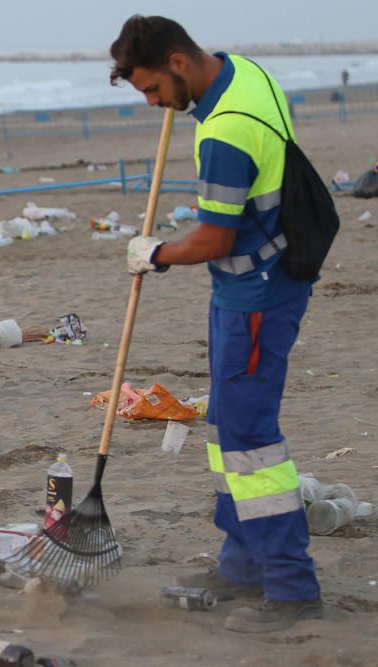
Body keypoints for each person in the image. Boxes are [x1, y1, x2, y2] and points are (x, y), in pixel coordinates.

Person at [110, 15, 322, 633]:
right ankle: (241, 565)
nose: (153, 104)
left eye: (151, 89)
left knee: (251, 440)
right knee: (227, 424)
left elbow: (213, 236)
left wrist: (153, 253)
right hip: (257, 276)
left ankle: (290, 586)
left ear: (177, 62)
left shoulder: (223, 133)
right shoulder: (244, 72)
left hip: (258, 290)